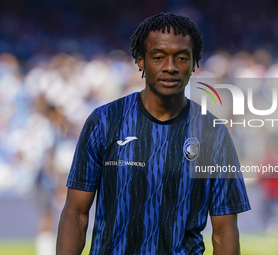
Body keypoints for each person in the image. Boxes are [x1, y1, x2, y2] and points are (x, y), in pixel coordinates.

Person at [56, 13, 250, 255]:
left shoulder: (213, 132)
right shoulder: (104, 121)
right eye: (158, 57)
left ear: (194, 63)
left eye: (181, 58)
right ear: (141, 61)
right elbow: (76, 213)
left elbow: (224, 231)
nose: (170, 67)